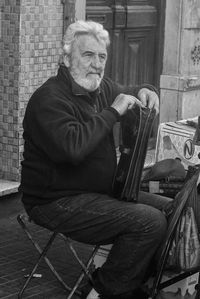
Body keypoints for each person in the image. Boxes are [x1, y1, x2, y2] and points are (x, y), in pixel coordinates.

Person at [20, 20, 173, 299]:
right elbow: (73, 148)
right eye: (88, 55)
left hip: (98, 193)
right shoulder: (48, 99)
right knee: (149, 222)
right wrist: (113, 111)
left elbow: (129, 89)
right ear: (66, 58)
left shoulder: (100, 88)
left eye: (102, 56)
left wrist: (145, 89)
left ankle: (133, 282)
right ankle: (99, 292)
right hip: (54, 201)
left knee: (173, 211)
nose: (97, 64)